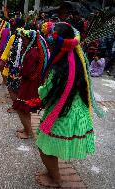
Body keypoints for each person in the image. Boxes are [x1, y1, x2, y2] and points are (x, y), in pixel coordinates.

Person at [36, 23, 98, 187]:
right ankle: (52, 172)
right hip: (76, 112)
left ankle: (56, 179)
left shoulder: (58, 69)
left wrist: (39, 90)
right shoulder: (80, 62)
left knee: (43, 147)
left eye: (50, 38)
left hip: (62, 114)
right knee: (48, 146)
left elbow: (45, 94)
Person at [13, 29, 47, 139]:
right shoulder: (33, 50)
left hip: (29, 84)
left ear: (31, 40)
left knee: (21, 108)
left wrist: (20, 70)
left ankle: (28, 132)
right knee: (25, 108)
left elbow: (27, 71)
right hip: (30, 82)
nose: (22, 41)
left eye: (25, 39)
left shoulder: (32, 52)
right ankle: (26, 128)